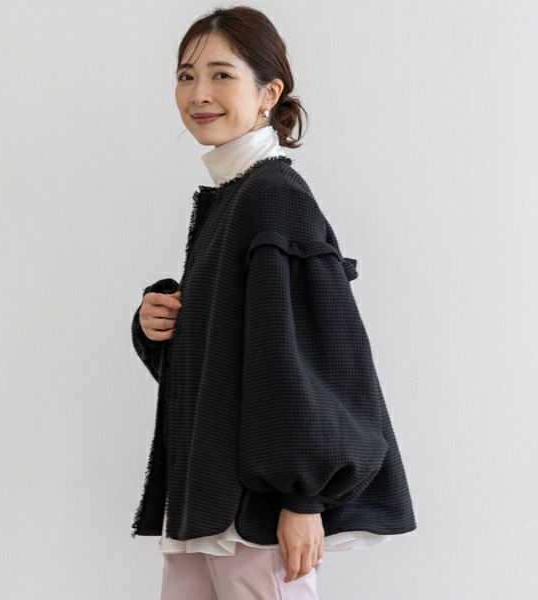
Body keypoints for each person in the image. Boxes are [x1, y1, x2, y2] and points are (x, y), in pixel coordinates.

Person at [131, 6, 417, 599]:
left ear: (269, 93)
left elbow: (313, 358)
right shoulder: (233, 197)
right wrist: (159, 323)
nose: (199, 93)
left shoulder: (272, 196)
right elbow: (225, 369)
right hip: (210, 508)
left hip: (252, 518)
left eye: (221, 74)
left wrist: (303, 498)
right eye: (186, 76)